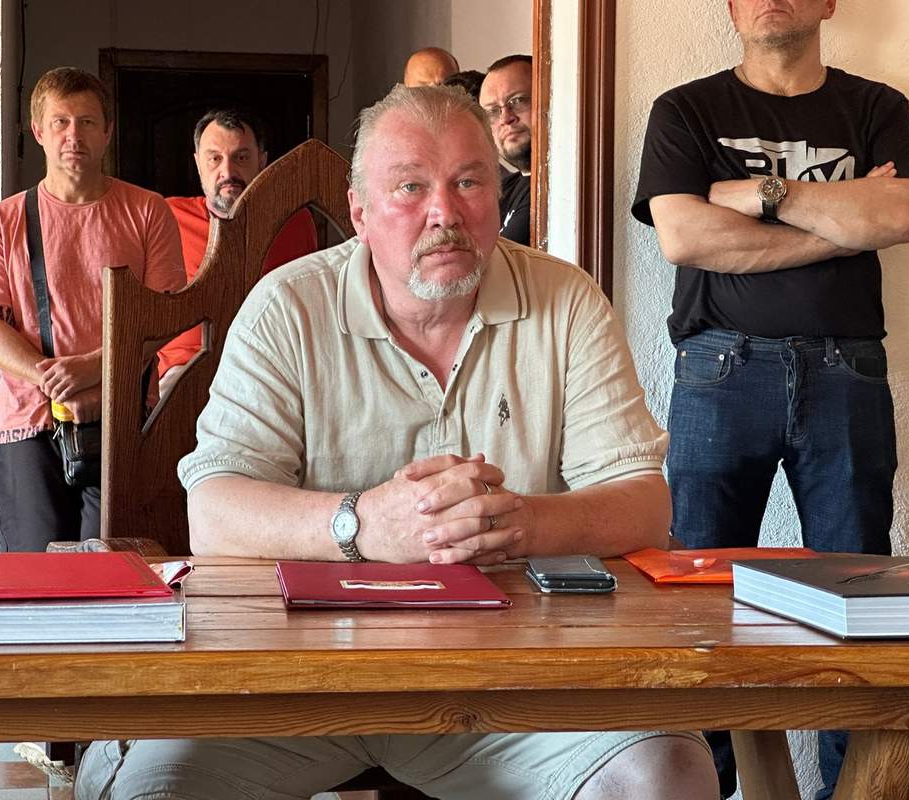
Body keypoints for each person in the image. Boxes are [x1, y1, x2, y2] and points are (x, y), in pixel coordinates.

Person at [75, 83, 718, 800]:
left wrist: (519, 523)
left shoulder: (565, 300)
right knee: (155, 790)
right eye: (411, 187)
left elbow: (644, 505)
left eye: (468, 182)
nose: (445, 213)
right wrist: (363, 524)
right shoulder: (288, 305)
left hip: (520, 681)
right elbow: (214, 513)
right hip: (290, 680)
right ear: (359, 213)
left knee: (664, 776)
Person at [630, 1, 909, 798]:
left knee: (856, 599)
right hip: (718, 368)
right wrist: (843, 221)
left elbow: (904, 213)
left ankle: (851, 790)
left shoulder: (875, 106)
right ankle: (702, 787)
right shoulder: (685, 109)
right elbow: (685, 237)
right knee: (695, 601)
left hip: (846, 371)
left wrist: (756, 193)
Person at [0, 67, 185, 551]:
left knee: (115, 573)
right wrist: (53, 379)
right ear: (38, 131)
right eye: (61, 122)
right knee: (35, 578)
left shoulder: (148, 212)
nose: (74, 135)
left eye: (87, 122)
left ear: (107, 131)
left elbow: (164, 319)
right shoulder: (0, 222)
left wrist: (93, 370)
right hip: (27, 425)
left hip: (123, 426)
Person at [158, 109, 318, 391]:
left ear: (262, 161)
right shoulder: (165, 217)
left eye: (241, 158)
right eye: (214, 158)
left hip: (271, 366)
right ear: (198, 163)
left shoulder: (296, 222)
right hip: (185, 371)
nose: (228, 172)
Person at [479, 54, 533, 245]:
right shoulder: (502, 189)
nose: (505, 118)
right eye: (493, 111)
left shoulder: (563, 187)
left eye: (517, 101)